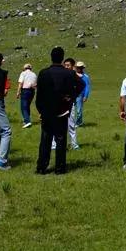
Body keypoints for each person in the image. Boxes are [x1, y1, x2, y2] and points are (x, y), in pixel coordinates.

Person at [35, 46, 83, 175]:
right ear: (62, 58)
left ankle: (41, 167)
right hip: (62, 109)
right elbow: (81, 84)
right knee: (61, 139)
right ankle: (60, 168)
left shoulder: (43, 73)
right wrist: (71, 98)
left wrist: (40, 109)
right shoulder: (69, 73)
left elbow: (39, 94)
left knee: (45, 139)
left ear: (51, 57)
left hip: (47, 111)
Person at [53, 58, 81, 151]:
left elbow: (82, 85)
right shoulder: (60, 74)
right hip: (58, 104)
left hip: (69, 104)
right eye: (65, 65)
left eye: (68, 65)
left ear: (73, 66)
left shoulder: (73, 75)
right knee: (56, 124)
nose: (66, 67)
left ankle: (74, 144)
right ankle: (54, 145)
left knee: (71, 125)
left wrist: (73, 96)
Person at [17, 63, 37, 128]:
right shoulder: (34, 74)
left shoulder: (23, 73)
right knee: (27, 106)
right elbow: (35, 84)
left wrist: (18, 92)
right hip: (32, 91)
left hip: (25, 90)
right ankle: (26, 121)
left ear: (24, 68)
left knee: (23, 107)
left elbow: (20, 83)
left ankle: (27, 121)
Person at [75, 61, 91, 127]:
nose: (78, 69)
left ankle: (79, 122)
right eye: (78, 67)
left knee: (79, 110)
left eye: (80, 67)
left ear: (82, 68)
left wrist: (85, 96)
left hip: (80, 95)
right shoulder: (73, 75)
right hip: (73, 94)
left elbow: (87, 87)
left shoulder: (85, 77)